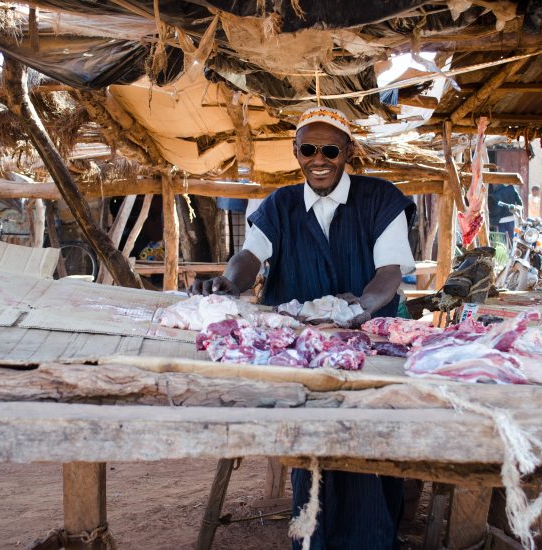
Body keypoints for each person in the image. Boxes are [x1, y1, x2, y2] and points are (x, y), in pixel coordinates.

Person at [191, 105, 416, 549]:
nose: (320, 159)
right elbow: (250, 256)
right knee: (312, 446)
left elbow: (390, 271)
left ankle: (372, 537)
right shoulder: (280, 204)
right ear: (296, 152)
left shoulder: (380, 198)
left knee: (368, 445)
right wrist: (229, 283)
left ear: (347, 151)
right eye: (309, 149)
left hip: (368, 347)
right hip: (304, 351)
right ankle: (317, 537)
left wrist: (363, 307)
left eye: (330, 149)